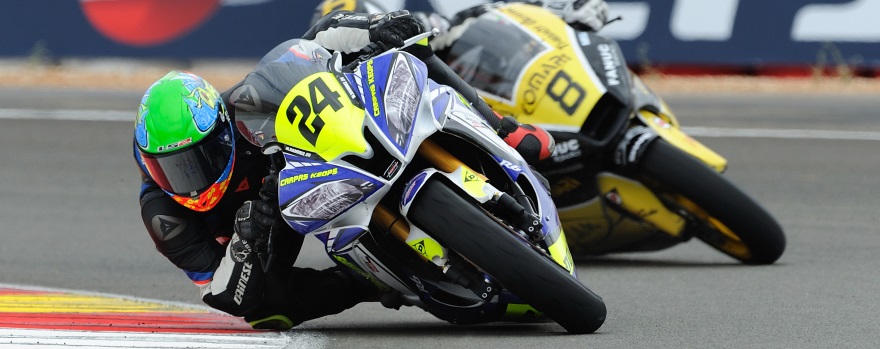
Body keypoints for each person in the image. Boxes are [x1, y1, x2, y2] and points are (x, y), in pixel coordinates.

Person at [134, 9, 553, 332]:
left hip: (310, 164)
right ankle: (372, 281)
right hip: (266, 232)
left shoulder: (241, 105)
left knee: (407, 48)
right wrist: (246, 239)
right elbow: (221, 292)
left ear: (222, 131)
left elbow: (312, 40)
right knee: (263, 312)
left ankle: (504, 130)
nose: (189, 177)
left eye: (197, 159)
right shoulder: (165, 216)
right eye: (170, 168)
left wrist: (374, 27)